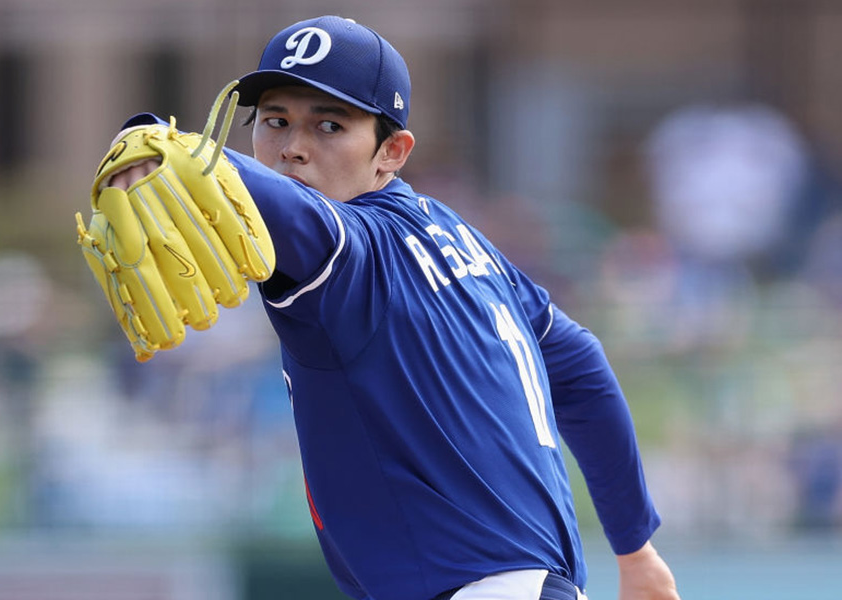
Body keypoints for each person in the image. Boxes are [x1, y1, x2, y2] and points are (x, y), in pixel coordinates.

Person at [106, 15, 680, 600]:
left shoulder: (348, 248)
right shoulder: (466, 244)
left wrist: (157, 139)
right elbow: (581, 365)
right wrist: (637, 552)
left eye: (330, 125)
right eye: (275, 121)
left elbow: (274, 201)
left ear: (391, 152)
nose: (293, 149)